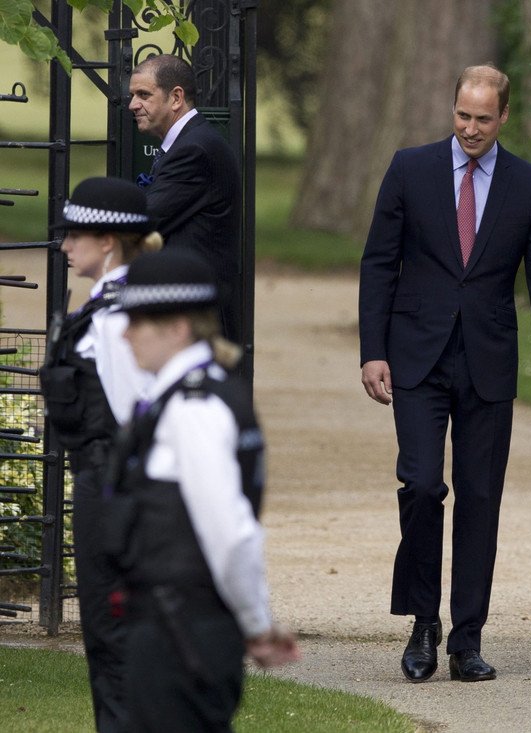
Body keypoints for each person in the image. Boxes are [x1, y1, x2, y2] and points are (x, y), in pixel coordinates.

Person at [359, 64, 531, 683]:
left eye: (483, 118)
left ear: (503, 116)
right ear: (451, 109)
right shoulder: (410, 168)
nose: (471, 128)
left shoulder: (528, 184)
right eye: (462, 115)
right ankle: (422, 622)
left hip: (488, 360)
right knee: (422, 485)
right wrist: (373, 350)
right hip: (417, 356)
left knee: (480, 498)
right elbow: (379, 263)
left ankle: (466, 639)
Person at [106, 249, 299, 729]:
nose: (125, 334)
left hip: (180, 631)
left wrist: (256, 624)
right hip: (175, 624)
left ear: (178, 328)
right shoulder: (188, 394)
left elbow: (228, 532)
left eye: (137, 322)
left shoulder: (193, 408)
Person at [39, 177, 161, 732]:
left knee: (113, 636)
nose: (65, 244)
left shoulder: (116, 317)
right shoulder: (118, 302)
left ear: (108, 240)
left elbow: (140, 416)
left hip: (115, 489)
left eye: (75, 233)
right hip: (112, 487)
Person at [129, 53, 242, 344]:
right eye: (133, 95)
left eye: (144, 95)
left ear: (176, 97)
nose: (133, 105)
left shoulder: (194, 150)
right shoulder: (189, 142)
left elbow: (146, 220)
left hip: (198, 314)